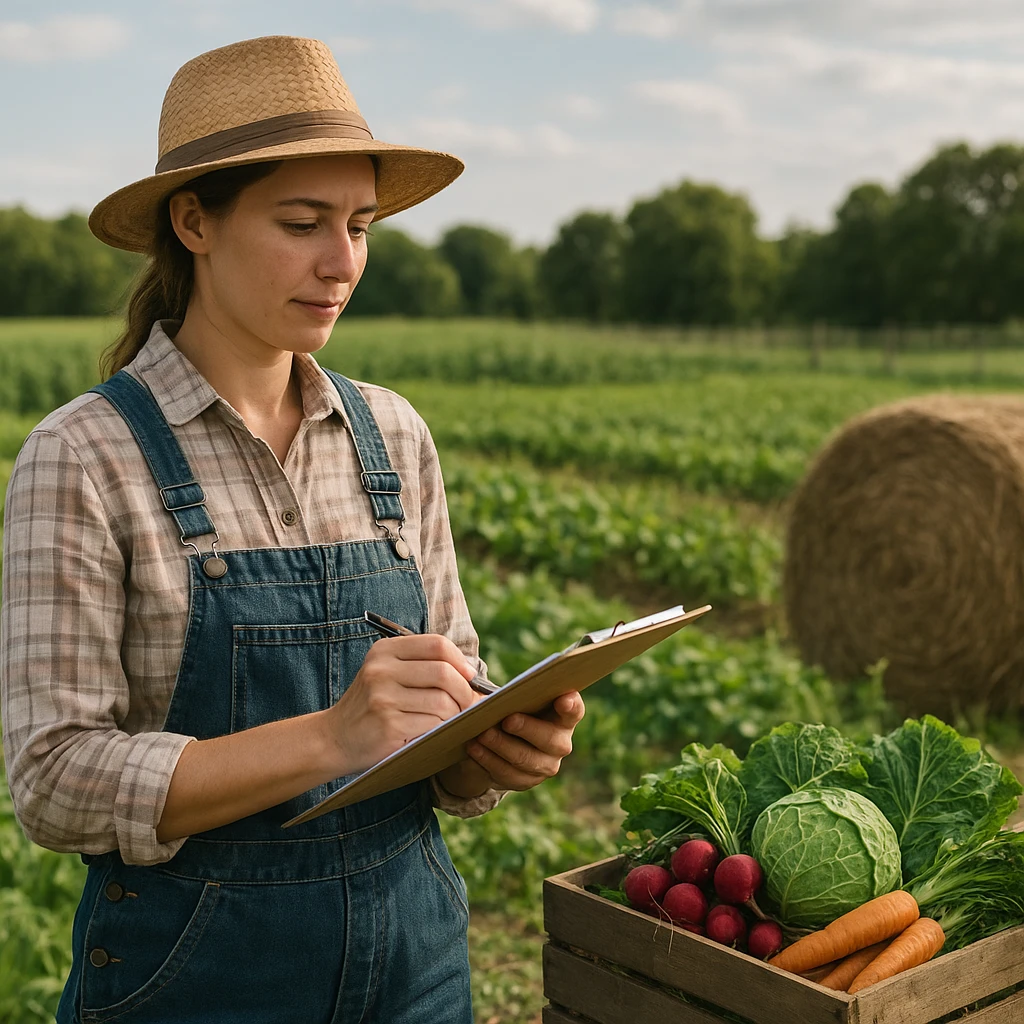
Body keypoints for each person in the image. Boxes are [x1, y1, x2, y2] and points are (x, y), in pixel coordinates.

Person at [0, 35, 585, 1023]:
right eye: (303, 222)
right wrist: (330, 735)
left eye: (360, 225)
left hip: (417, 964)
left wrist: (486, 743)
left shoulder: (391, 431)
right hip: (196, 979)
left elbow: (451, 676)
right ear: (194, 221)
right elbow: (53, 779)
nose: (342, 261)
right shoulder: (85, 454)